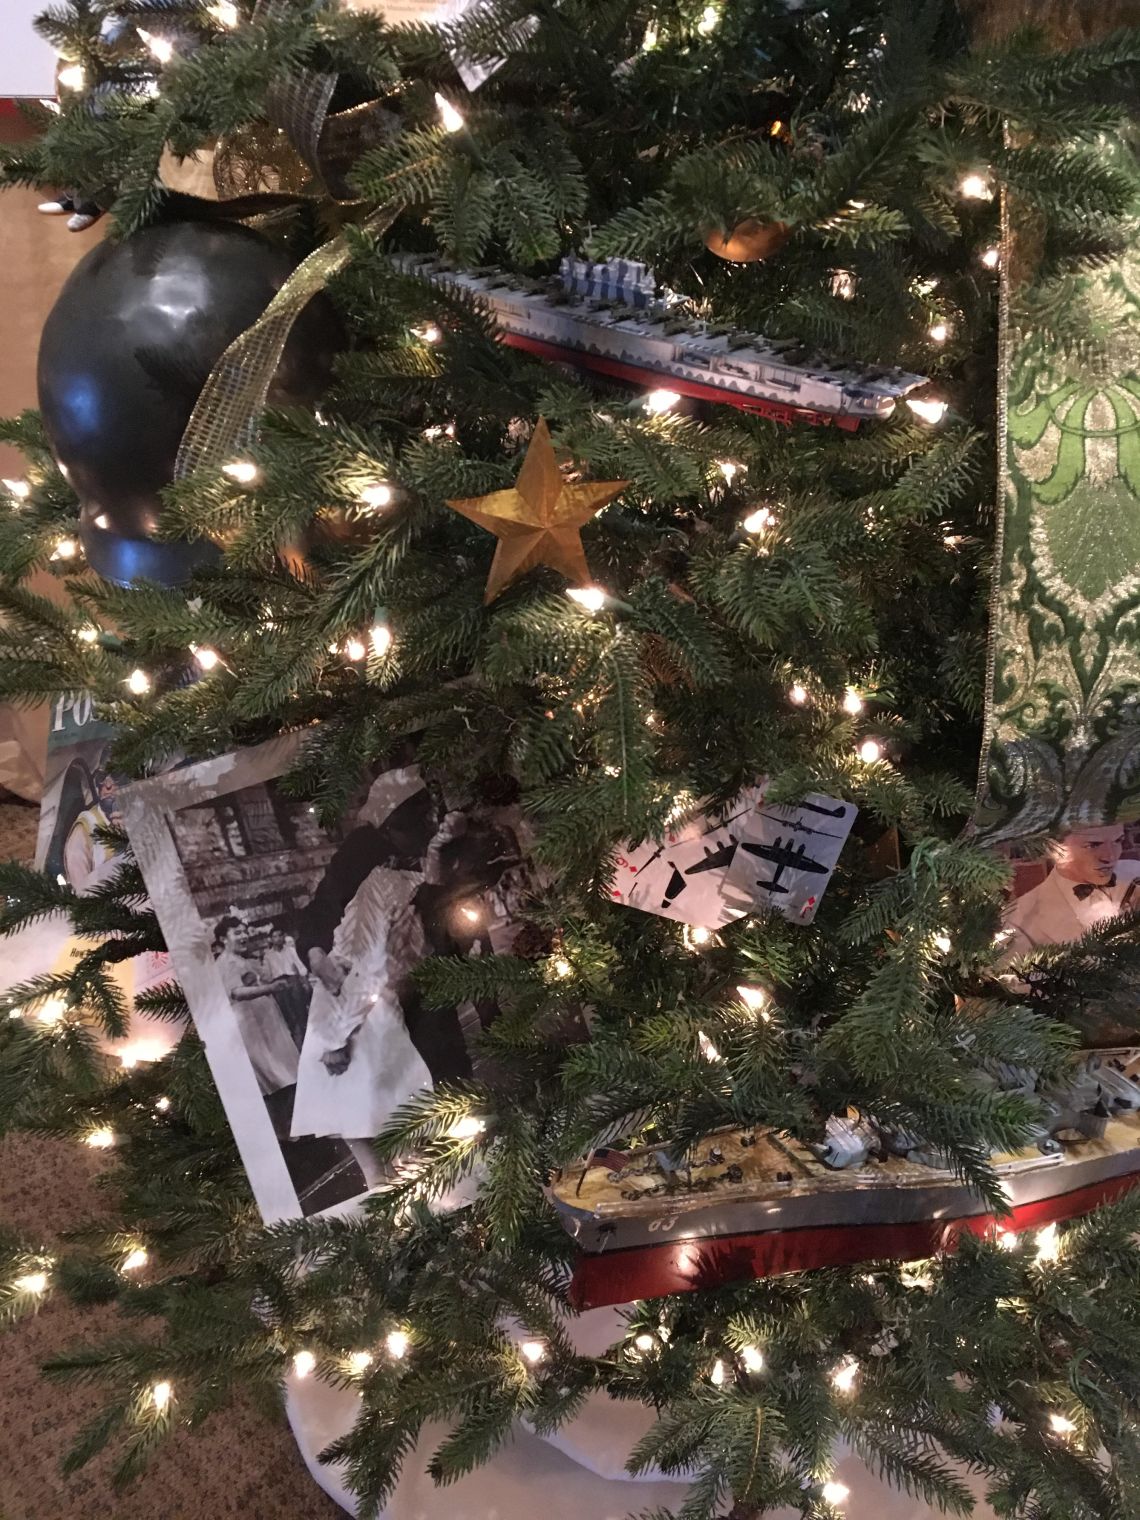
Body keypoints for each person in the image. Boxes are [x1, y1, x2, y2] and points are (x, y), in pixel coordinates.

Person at [290, 867, 432, 1189]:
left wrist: (336, 1038)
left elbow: (371, 970)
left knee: (383, 1119)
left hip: (357, 1017)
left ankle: (398, 1188)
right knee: (366, 1123)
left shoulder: (375, 890)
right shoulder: (387, 887)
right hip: (348, 1012)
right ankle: (390, 1189)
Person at [1001, 823, 1140, 957]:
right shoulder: (1017, 920)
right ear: (1054, 847)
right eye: (1093, 845)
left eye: (1117, 841)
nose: (1110, 856)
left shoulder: (1135, 870)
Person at [213, 916, 300, 1099]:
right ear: (223, 939)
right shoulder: (227, 962)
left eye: (245, 932)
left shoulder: (240, 959)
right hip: (251, 1023)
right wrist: (270, 988)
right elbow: (236, 992)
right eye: (237, 933)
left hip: (263, 1020)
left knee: (282, 1064)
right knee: (273, 1070)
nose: (244, 936)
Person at [62, 769, 121, 890]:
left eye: (116, 776)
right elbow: (81, 889)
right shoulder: (85, 827)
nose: (108, 786)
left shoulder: (144, 813)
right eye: (102, 778)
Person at [261, 926, 311, 1049]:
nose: (278, 939)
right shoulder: (268, 955)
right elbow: (266, 975)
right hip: (279, 983)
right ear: (271, 939)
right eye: (274, 936)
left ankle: (307, 1039)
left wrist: (304, 980)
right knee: (287, 1014)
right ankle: (295, 1043)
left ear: (283, 936)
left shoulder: (290, 950)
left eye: (280, 935)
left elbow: (300, 966)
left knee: (301, 1011)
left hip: (293, 980)